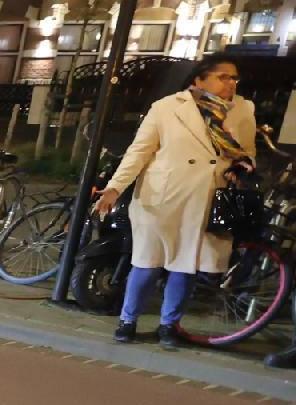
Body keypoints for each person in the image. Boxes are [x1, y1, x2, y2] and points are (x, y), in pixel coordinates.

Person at [95, 55, 256, 351]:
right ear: (199, 79)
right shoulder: (168, 107)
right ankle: (127, 320)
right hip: (162, 197)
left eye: (234, 78)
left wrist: (242, 165)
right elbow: (139, 152)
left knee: (187, 266)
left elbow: (247, 151)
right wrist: (114, 188)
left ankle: (169, 325)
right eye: (223, 77)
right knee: (147, 263)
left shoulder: (243, 110)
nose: (230, 83)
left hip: (208, 197)